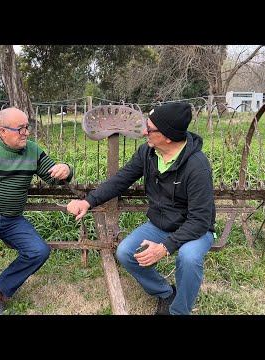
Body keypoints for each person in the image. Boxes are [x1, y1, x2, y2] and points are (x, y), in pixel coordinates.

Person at [67, 102, 215, 315]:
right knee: (126, 252)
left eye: (150, 129)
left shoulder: (197, 167)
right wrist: (88, 201)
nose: (144, 131)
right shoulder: (148, 152)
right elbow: (120, 180)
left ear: (168, 136)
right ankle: (164, 292)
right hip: (161, 224)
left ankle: (179, 311)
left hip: (195, 230)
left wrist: (164, 247)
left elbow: (200, 221)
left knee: (189, 258)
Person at [0, 107, 73, 315]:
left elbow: (54, 177)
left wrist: (65, 169)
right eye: (20, 129)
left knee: (39, 251)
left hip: (12, 220)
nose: (26, 133)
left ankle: (0, 287)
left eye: (27, 127)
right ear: (2, 131)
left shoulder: (33, 150)